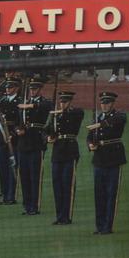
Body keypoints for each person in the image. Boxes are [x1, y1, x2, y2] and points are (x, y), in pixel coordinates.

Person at [87, 91, 128, 234]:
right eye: (103, 103)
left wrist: (99, 124)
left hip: (113, 158)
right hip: (99, 159)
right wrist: (90, 144)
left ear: (112, 103)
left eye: (107, 103)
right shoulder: (97, 118)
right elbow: (90, 136)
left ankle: (107, 225)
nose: (104, 105)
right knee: (99, 194)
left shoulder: (117, 116)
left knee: (111, 194)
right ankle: (99, 225)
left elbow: (119, 120)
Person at [45, 90, 84, 225]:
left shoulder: (74, 113)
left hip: (70, 151)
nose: (62, 104)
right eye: (61, 102)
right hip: (57, 152)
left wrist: (61, 112)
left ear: (70, 102)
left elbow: (77, 114)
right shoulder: (55, 116)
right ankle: (59, 215)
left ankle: (66, 216)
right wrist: (48, 136)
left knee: (68, 184)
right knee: (57, 185)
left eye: (65, 102)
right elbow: (46, 130)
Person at [15, 79, 52, 216]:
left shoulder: (43, 103)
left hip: (36, 143)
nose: (33, 91)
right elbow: (17, 121)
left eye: (35, 89)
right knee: (24, 176)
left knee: (34, 177)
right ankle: (27, 204)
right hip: (23, 144)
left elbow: (46, 107)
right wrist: (18, 130)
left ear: (40, 89)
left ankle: (34, 206)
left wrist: (29, 105)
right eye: (31, 89)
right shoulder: (24, 103)